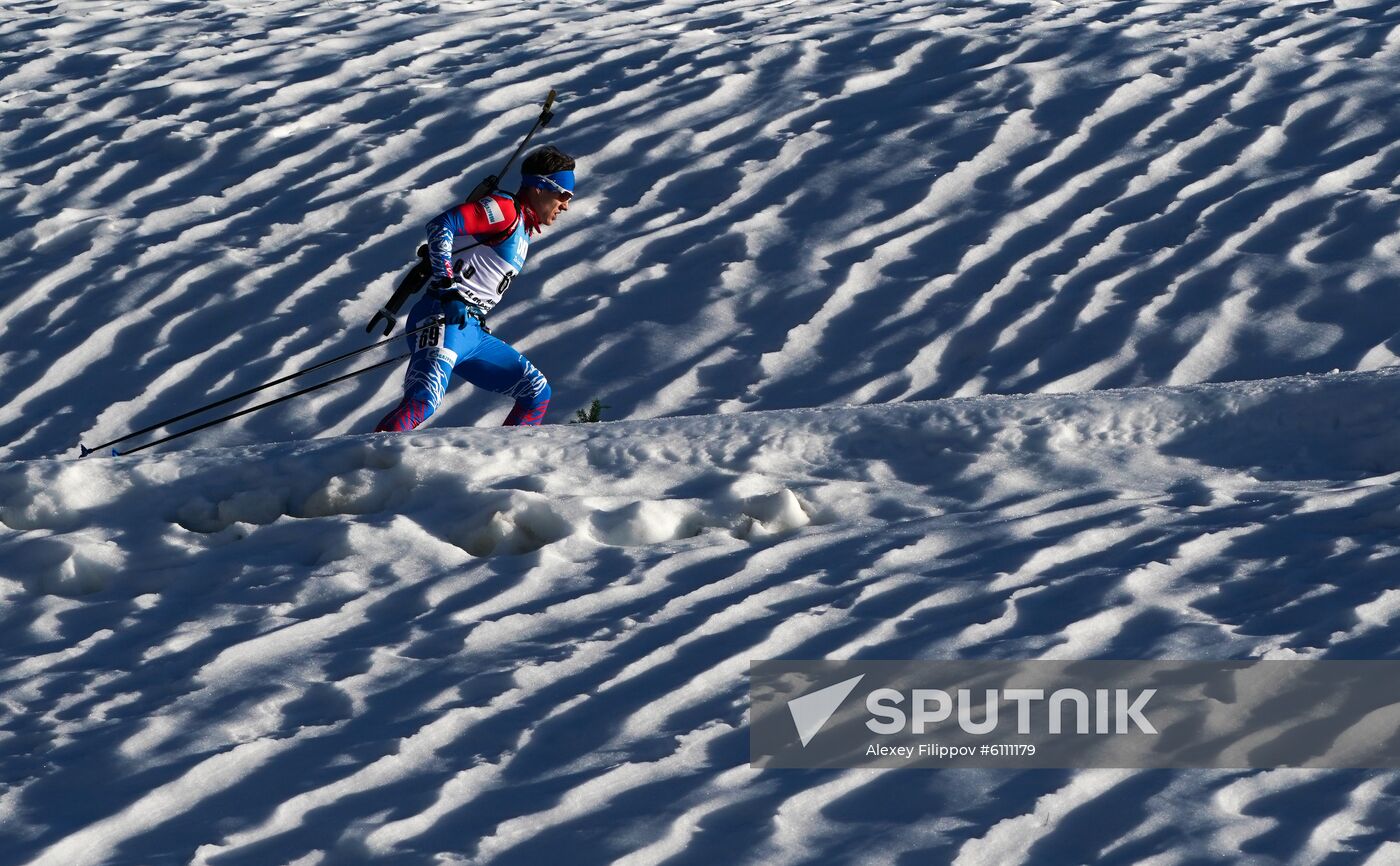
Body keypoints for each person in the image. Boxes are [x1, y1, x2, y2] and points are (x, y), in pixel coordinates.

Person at [373, 145, 575, 432]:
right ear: (540, 187)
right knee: (424, 401)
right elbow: (441, 225)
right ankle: (356, 468)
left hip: (470, 329)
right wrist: (448, 287)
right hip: (442, 317)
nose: (566, 204)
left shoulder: (523, 228)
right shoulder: (505, 209)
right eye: (563, 195)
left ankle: (504, 466)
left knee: (536, 393)